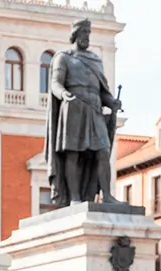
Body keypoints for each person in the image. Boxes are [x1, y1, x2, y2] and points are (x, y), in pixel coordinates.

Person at [45, 18, 122, 206]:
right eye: (83, 33)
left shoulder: (96, 60)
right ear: (75, 35)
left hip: (95, 110)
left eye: (88, 33)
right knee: (73, 154)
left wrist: (112, 102)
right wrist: (63, 94)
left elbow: (103, 91)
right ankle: (75, 199)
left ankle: (107, 195)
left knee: (103, 152)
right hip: (73, 107)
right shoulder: (64, 58)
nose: (86, 37)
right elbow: (56, 83)